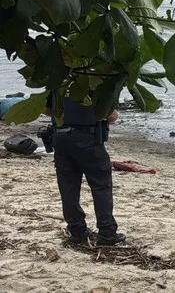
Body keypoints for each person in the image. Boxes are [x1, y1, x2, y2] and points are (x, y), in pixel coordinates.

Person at [45, 92, 125, 246]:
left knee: (68, 187)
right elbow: (111, 116)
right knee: (101, 186)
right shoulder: (93, 83)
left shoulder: (58, 82)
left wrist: (67, 116)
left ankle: (76, 230)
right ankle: (107, 232)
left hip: (60, 138)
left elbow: (46, 108)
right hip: (88, 138)